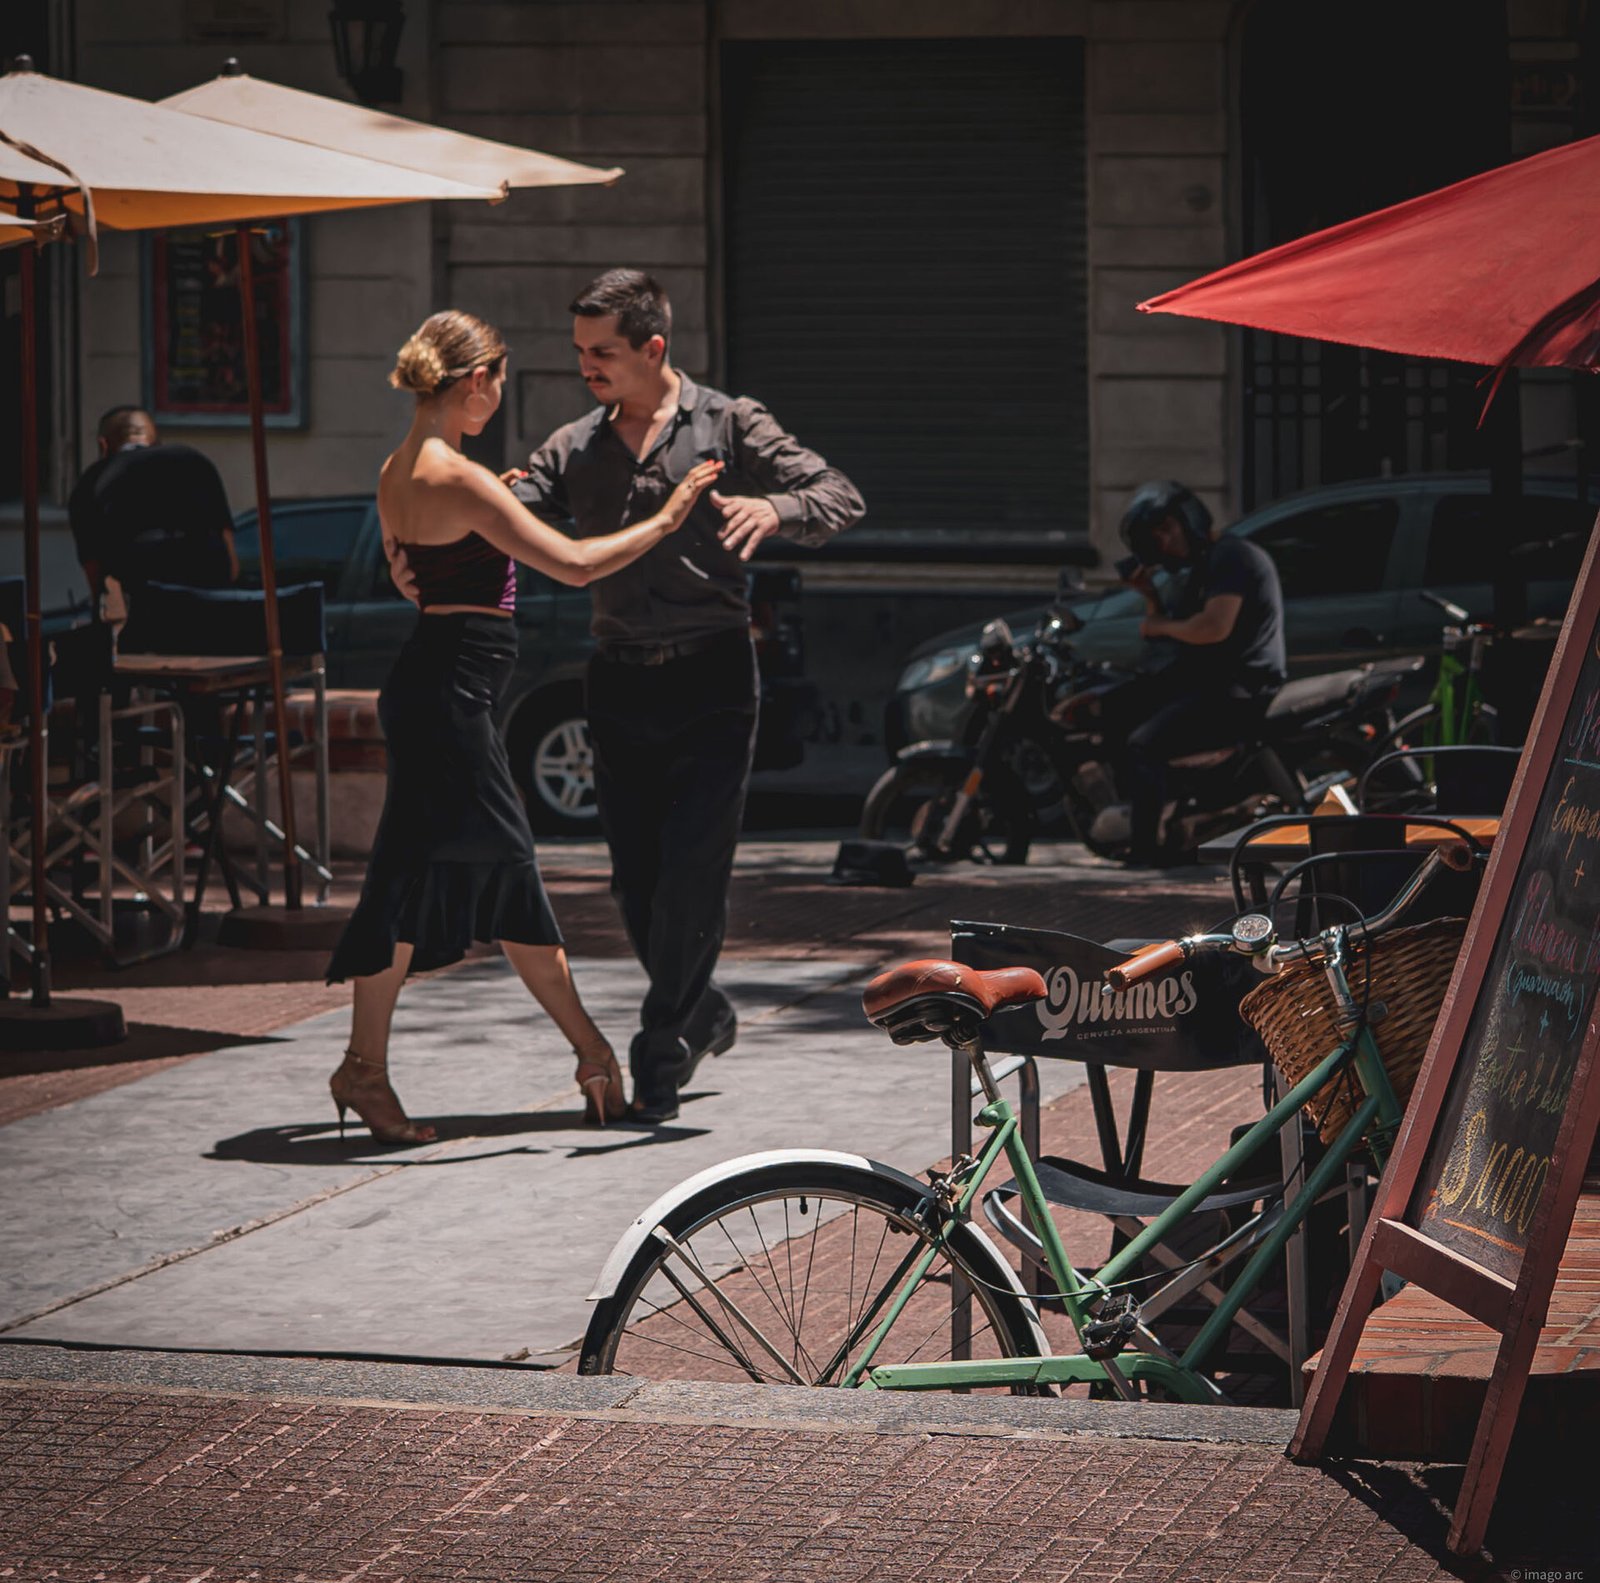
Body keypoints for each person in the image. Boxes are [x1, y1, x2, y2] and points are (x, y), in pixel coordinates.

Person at [397, 269, 865, 1125]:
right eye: (579, 352)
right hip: (614, 679)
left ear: (654, 347)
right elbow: (502, 511)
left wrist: (775, 505)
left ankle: (660, 1051)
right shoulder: (575, 444)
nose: (587, 367)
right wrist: (427, 544)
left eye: (602, 351)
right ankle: (703, 1010)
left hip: (714, 676)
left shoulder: (730, 421)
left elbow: (839, 493)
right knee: (636, 884)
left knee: (693, 871)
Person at [324, 309, 723, 1145]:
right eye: (497, 384)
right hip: (452, 701)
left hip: (434, 685)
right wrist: (670, 513)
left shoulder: (400, 467)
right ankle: (592, 1053)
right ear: (474, 381)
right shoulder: (455, 476)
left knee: (404, 883)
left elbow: (419, 585)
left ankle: (365, 1066)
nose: (498, 401)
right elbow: (575, 565)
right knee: (509, 873)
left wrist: (491, 510)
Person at [1114, 480, 1286, 866]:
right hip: (1217, 684)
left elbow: (1212, 628)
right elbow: (1178, 631)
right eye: (1155, 536)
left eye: (1166, 528)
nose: (1163, 541)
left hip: (1240, 689)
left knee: (1144, 746)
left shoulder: (1232, 556)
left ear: (1188, 519)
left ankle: (1147, 852)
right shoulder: (1204, 566)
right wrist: (1149, 597)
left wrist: (1159, 625)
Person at [67, 407, 238, 616]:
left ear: (104, 445)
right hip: (208, 592)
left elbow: (94, 572)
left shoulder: (91, 481)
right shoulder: (195, 460)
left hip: (143, 597)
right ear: (157, 441)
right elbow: (231, 559)